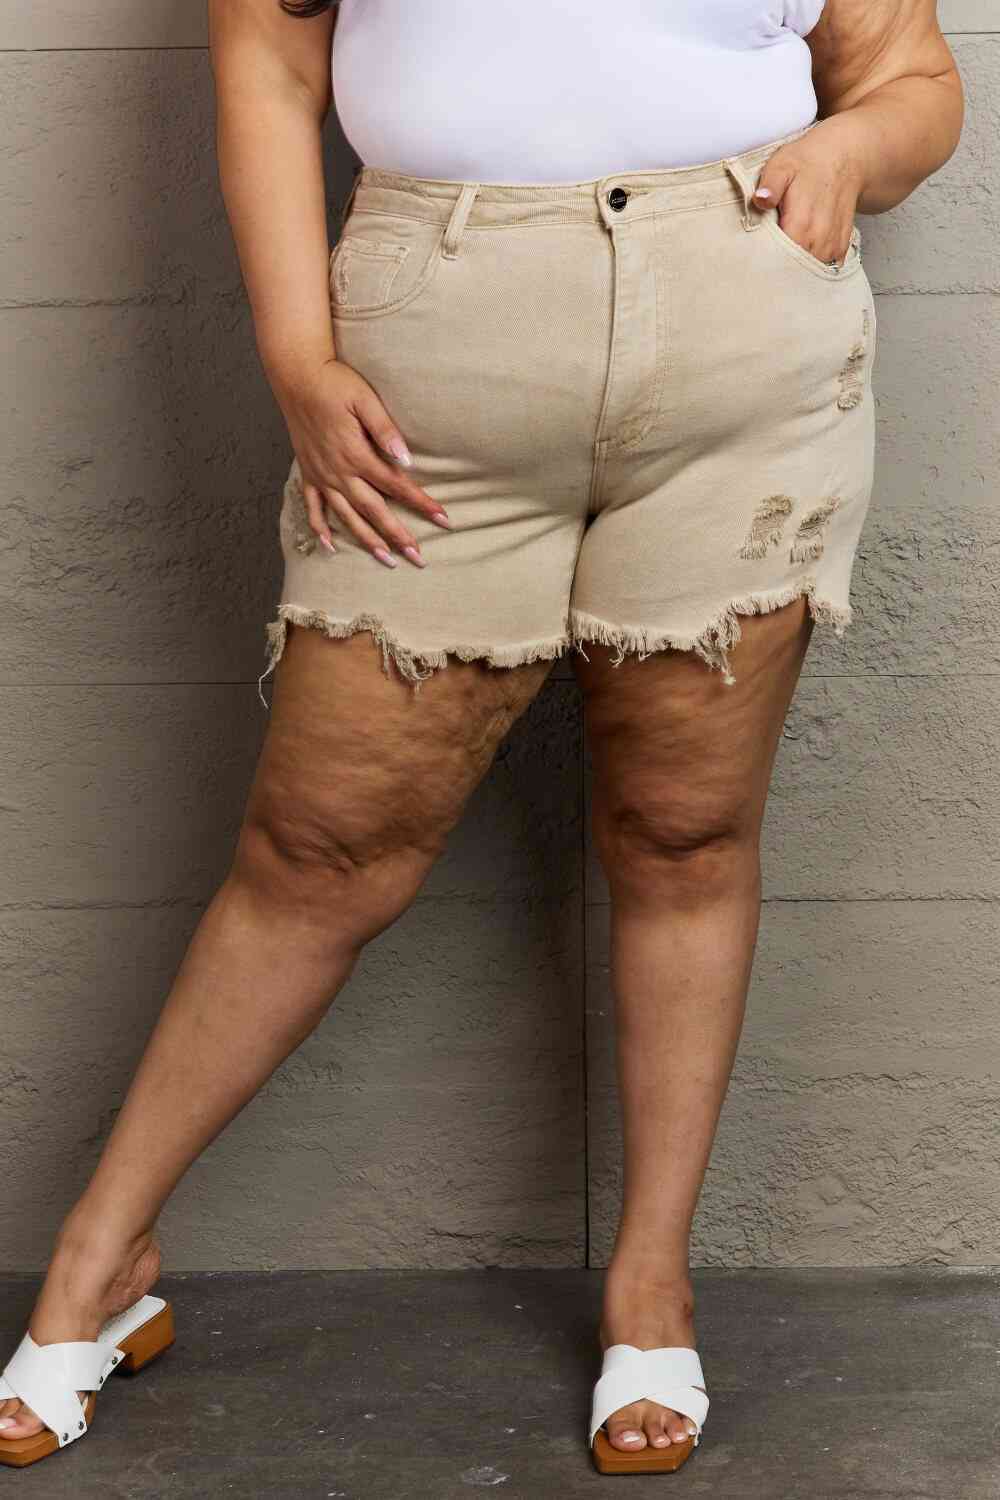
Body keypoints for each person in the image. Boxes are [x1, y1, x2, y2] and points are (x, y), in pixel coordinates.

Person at [0, 0, 964, 1477]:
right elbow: (268, 57)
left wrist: (850, 150)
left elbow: (911, 79)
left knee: (683, 834)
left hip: (747, 357)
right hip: (432, 367)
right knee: (319, 849)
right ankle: (103, 1257)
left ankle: (651, 1287)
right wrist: (295, 357)